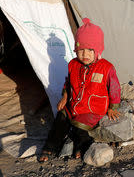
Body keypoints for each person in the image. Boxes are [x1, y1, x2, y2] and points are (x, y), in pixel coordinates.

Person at [39, 18, 121, 162]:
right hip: (75, 104)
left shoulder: (106, 67)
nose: (85, 54)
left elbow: (114, 87)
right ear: (76, 49)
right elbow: (68, 83)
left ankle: (81, 147)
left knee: (80, 127)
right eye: (81, 50)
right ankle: (50, 147)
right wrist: (65, 96)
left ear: (98, 50)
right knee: (61, 119)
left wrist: (113, 107)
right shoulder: (73, 64)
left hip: (93, 107)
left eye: (90, 50)